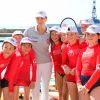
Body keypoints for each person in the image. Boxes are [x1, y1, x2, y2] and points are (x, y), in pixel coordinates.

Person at [24, 11, 52, 100]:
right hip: (33, 64)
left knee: (45, 88)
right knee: (35, 88)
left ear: (46, 19)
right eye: (37, 18)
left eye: (42, 18)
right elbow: (21, 44)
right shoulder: (29, 31)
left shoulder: (50, 32)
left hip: (47, 63)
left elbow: (59, 42)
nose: (39, 20)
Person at [76, 24, 100, 100]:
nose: (89, 36)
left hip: (97, 82)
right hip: (83, 82)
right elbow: (77, 69)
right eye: (88, 34)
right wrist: (79, 84)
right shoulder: (82, 50)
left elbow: (98, 70)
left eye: (93, 34)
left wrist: (87, 86)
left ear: (99, 37)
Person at [61, 25, 80, 100]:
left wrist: (77, 69)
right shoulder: (65, 48)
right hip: (70, 76)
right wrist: (65, 68)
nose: (69, 36)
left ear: (76, 34)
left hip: (81, 76)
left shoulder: (82, 44)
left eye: (71, 34)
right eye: (67, 34)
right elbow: (63, 63)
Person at [50, 26, 68, 100]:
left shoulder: (64, 45)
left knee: (64, 94)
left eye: (56, 34)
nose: (54, 36)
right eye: (52, 34)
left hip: (66, 72)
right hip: (58, 72)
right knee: (60, 94)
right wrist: (55, 76)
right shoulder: (52, 46)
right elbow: (54, 62)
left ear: (60, 35)